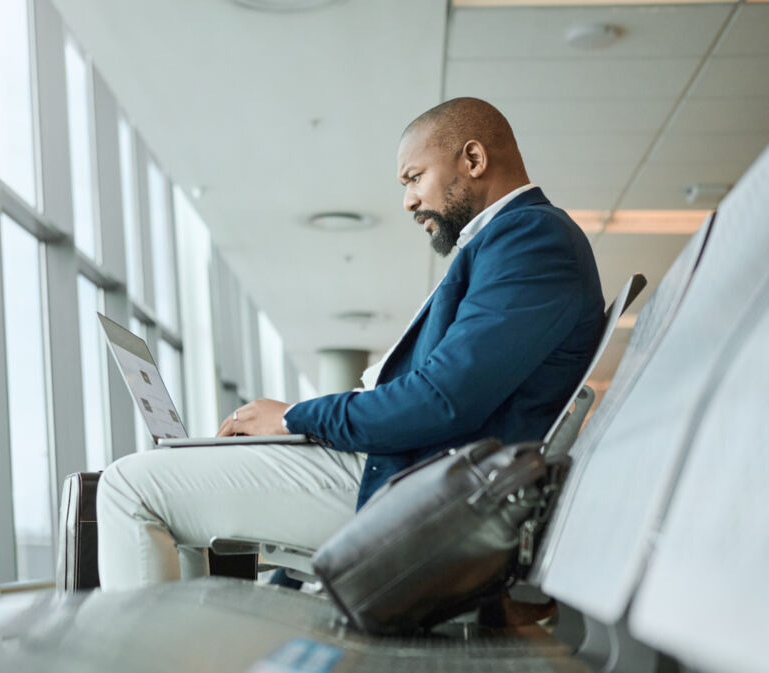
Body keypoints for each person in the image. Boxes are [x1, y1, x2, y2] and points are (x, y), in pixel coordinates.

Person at [95, 97, 604, 591]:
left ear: (472, 158)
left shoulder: (532, 239)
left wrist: (295, 418)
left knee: (128, 487)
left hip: (413, 483)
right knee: (176, 485)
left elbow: (442, 400)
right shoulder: (509, 241)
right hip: (409, 468)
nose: (408, 200)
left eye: (414, 178)